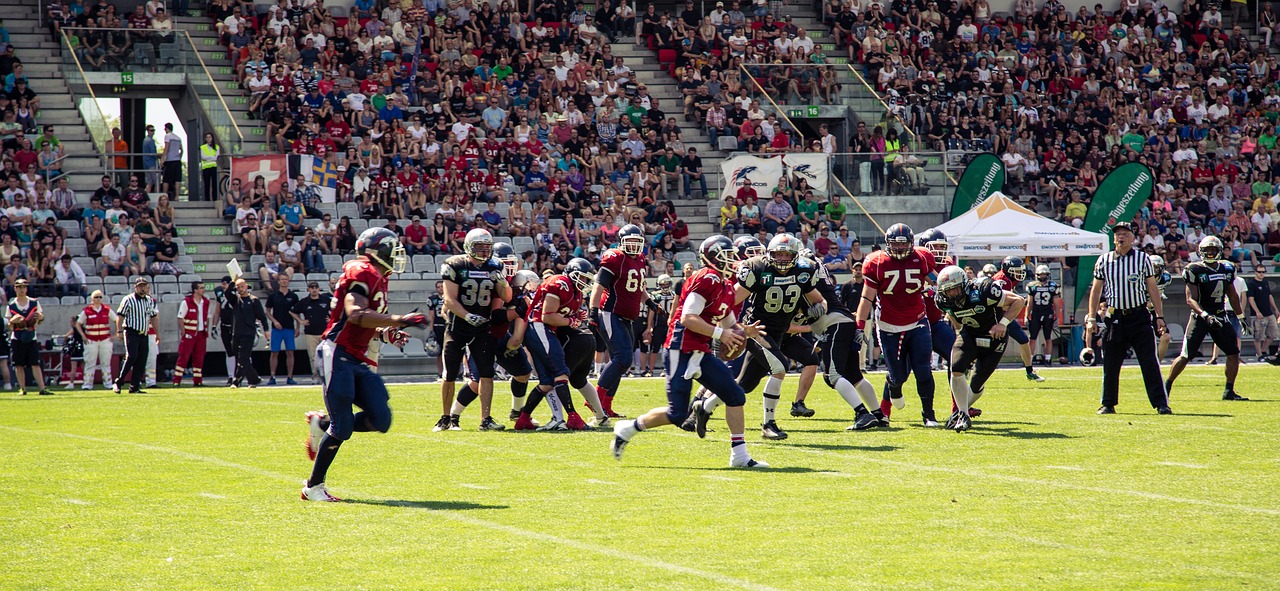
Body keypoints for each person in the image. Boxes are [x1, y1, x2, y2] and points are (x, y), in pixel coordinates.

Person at [612, 235, 769, 468]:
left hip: (701, 350)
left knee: (735, 396)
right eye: (727, 256)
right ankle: (628, 428)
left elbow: (729, 324)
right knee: (677, 414)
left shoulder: (725, 284)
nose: (733, 261)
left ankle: (740, 456)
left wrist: (745, 331)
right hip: (681, 349)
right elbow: (687, 318)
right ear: (713, 257)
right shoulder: (705, 278)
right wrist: (721, 334)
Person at [301, 228, 427, 501]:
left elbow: (366, 321)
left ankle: (321, 425)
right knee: (343, 427)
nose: (395, 256)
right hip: (336, 352)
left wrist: (386, 332)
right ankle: (313, 487)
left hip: (355, 356)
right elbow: (355, 314)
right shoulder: (362, 270)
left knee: (381, 418)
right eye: (391, 249)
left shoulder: (379, 277)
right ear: (376, 250)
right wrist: (399, 319)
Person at [697, 234, 823, 439]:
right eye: (778, 254)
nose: (782, 259)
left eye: (786, 254)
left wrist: (818, 310)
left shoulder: (804, 271)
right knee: (780, 367)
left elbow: (819, 300)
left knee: (744, 385)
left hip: (780, 333)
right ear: (769, 254)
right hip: (757, 329)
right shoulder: (758, 268)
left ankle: (705, 407)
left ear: (795, 255)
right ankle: (768, 424)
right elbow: (730, 300)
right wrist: (733, 327)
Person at [856, 223, 940, 426]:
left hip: (918, 320)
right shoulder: (876, 262)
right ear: (888, 244)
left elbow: (936, 282)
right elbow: (867, 298)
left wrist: (941, 289)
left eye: (904, 244)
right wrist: (859, 326)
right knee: (898, 375)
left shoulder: (921, 257)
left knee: (923, 370)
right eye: (896, 244)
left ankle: (928, 414)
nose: (900, 248)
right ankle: (894, 387)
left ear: (911, 243)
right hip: (888, 325)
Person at [1087, 222, 1170, 415]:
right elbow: (1096, 290)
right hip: (1115, 317)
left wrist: (1159, 316)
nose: (1121, 237)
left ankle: (1161, 403)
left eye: (1125, 234)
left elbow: (1152, 288)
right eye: (1117, 235)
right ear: (1113, 239)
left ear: (1132, 238)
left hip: (1139, 315)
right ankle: (1108, 403)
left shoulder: (1143, 259)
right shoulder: (1104, 260)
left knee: (1149, 361)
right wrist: (1091, 317)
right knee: (1111, 362)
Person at [434, 229, 512, 431]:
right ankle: (445, 418)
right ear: (469, 246)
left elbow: (505, 297)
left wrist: (502, 282)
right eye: (480, 247)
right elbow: (449, 299)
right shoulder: (455, 265)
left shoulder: (496, 265)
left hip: (483, 327)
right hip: (457, 326)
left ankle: (485, 419)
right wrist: (467, 316)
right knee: (450, 373)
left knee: (487, 373)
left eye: (487, 248)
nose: (485, 252)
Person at [933, 265, 1027, 432]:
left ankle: (962, 411)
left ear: (964, 284)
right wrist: (959, 335)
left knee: (977, 382)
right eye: (948, 291)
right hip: (969, 334)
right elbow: (957, 320)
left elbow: (1018, 301)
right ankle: (962, 414)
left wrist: (1002, 324)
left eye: (955, 289)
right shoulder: (942, 301)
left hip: (994, 337)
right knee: (956, 368)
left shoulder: (983, 290)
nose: (952, 294)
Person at [514, 257, 597, 431]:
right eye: (583, 277)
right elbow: (548, 316)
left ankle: (523, 418)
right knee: (561, 372)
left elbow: (562, 314)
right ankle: (572, 417)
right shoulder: (560, 283)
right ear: (573, 274)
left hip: (543, 329)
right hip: (539, 326)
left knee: (546, 382)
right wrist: (571, 321)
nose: (586, 282)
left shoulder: (575, 291)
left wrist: (575, 316)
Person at [1164, 236, 1247, 401]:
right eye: (1207, 250)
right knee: (1186, 355)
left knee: (1233, 353)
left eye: (1213, 250)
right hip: (1200, 316)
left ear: (1219, 251)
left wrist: (1240, 316)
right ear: (1200, 251)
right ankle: (1165, 387)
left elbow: (1232, 294)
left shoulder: (1227, 268)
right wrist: (1205, 315)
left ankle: (1228, 390)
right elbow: (1190, 299)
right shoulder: (1194, 269)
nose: (1210, 253)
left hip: (1220, 315)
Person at [590, 224, 647, 417]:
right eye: (629, 241)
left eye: (636, 242)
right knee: (623, 358)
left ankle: (606, 405)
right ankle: (595, 400)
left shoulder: (640, 258)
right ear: (621, 242)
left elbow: (639, 287)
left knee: (621, 361)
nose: (633, 245)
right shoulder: (615, 257)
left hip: (625, 317)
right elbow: (598, 287)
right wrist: (592, 311)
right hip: (609, 313)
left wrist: (651, 303)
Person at [989, 256, 1044, 381]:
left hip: (1002, 315)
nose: (1019, 272)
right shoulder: (1002, 280)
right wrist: (1015, 303)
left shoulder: (1009, 278)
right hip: (995, 316)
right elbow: (999, 303)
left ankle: (1030, 371)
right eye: (1016, 270)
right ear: (1008, 269)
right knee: (986, 346)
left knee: (1024, 340)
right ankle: (968, 367)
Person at [113, 276, 159, 394]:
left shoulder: (149, 300)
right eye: (140, 286)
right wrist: (119, 331)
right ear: (135, 287)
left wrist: (157, 333)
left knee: (142, 360)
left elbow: (153, 317)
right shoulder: (128, 299)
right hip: (131, 331)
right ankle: (119, 381)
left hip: (144, 333)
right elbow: (120, 316)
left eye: (144, 286)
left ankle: (134, 386)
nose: (142, 288)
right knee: (131, 356)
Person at [7, 279, 49, 395]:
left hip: (31, 337)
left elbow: (40, 320)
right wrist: (12, 321)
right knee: (18, 364)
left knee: (35, 363)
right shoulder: (11, 305)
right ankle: (22, 388)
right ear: (15, 289)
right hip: (17, 337)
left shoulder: (34, 303)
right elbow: (10, 326)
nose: (22, 289)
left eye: (24, 287)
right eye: (19, 287)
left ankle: (42, 388)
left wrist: (40, 317)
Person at [226, 277, 270, 388]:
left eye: (242, 286)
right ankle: (254, 378)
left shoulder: (254, 300)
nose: (241, 289)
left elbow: (262, 317)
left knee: (243, 357)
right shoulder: (235, 300)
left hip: (249, 333)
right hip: (236, 333)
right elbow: (227, 293)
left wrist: (266, 330)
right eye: (238, 287)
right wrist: (232, 281)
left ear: (246, 286)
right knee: (239, 357)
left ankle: (236, 381)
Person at [292, 281, 334, 385]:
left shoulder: (326, 299)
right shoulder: (304, 301)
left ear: (319, 289)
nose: (314, 289)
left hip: (325, 333)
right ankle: (316, 376)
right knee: (313, 357)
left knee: (327, 356)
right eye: (311, 287)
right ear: (308, 289)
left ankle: (328, 377)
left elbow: (336, 310)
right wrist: (301, 321)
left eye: (316, 287)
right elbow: (292, 311)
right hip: (310, 333)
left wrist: (332, 319)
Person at [173, 281, 213, 387]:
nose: (203, 290)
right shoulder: (187, 302)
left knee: (199, 358)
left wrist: (206, 330)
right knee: (184, 356)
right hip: (189, 334)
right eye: (201, 288)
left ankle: (198, 381)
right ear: (195, 290)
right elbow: (180, 318)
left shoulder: (206, 302)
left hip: (201, 334)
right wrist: (184, 332)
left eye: (203, 288)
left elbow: (208, 317)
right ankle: (176, 380)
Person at [75, 289, 116, 390]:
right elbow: (78, 324)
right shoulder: (87, 310)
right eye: (96, 297)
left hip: (105, 340)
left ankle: (108, 383)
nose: (98, 299)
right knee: (90, 363)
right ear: (92, 299)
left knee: (106, 363)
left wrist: (115, 335)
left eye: (100, 297)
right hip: (91, 340)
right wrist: (83, 336)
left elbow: (117, 320)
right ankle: (87, 384)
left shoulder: (107, 309)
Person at [265, 276, 301, 385]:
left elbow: (297, 312)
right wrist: (275, 321)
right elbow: (267, 311)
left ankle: (290, 376)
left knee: (290, 352)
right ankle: (272, 376)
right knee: (274, 352)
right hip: (277, 328)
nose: (284, 281)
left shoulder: (293, 296)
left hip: (289, 327)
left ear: (288, 281)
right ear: (278, 281)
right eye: (282, 279)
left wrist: (298, 327)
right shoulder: (273, 296)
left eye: (286, 279)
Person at [1025, 264, 1061, 365]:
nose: (1042, 276)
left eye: (1044, 274)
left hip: (1047, 313)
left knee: (1048, 337)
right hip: (1036, 313)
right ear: (1037, 275)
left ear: (1048, 274)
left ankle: (1048, 359)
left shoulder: (1053, 286)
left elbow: (1056, 304)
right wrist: (1026, 315)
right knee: (1032, 337)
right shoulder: (1032, 286)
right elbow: (1029, 303)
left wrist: (1057, 317)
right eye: (1041, 274)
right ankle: (1029, 359)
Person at [1246, 265, 1278, 360]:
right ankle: (1259, 354)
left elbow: (1269, 296)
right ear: (1255, 272)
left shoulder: (1265, 282)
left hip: (1269, 313)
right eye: (1259, 272)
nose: (1261, 274)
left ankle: (1263, 351)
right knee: (1258, 336)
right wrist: (1257, 312)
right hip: (1258, 315)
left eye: (1263, 272)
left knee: (1273, 334)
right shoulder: (1251, 284)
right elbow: (1251, 299)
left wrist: (1275, 309)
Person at [212, 276, 236, 384]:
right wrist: (214, 326)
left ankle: (245, 374)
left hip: (237, 326)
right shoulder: (219, 293)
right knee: (229, 351)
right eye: (222, 283)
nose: (223, 286)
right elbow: (217, 310)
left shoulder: (236, 292)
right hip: (225, 324)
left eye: (225, 283)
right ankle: (231, 376)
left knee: (242, 351)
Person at [160, 123, 183, 198]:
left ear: (166, 128)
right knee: (177, 179)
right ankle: (177, 196)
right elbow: (181, 150)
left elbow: (166, 148)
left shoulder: (167, 136)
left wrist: (163, 159)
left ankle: (164, 195)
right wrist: (179, 157)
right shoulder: (178, 138)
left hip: (169, 160)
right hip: (177, 160)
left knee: (166, 179)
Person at [199, 132, 219, 202]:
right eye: (207, 137)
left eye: (209, 137)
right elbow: (203, 157)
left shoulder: (216, 147)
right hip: (206, 167)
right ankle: (207, 199)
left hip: (213, 167)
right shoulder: (203, 147)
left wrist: (209, 158)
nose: (208, 139)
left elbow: (216, 157)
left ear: (212, 138)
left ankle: (214, 199)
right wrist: (211, 157)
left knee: (214, 184)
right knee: (206, 184)